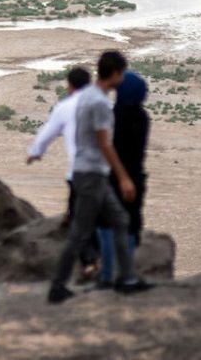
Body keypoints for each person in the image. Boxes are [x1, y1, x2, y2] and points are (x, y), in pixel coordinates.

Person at [49, 51, 152, 302]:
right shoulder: (103, 105)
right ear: (114, 73)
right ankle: (59, 286)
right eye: (121, 74)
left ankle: (123, 279)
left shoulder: (90, 99)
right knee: (82, 233)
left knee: (116, 221)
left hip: (94, 173)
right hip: (94, 174)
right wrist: (123, 177)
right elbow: (105, 144)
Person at [95, 69, 150, 288]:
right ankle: (126, 275)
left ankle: (107, 275)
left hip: (112, 178)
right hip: (135, 178)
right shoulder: (142, 118)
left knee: (106, 224)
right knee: (130, 225)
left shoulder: (112, 117)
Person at [26, 66, 92, 227]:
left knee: (76, 221)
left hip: (80, 173)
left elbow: (46, 134)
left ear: (70, 85)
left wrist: (35, 152)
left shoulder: (65, 107)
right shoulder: (105, 106)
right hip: (106, 173)